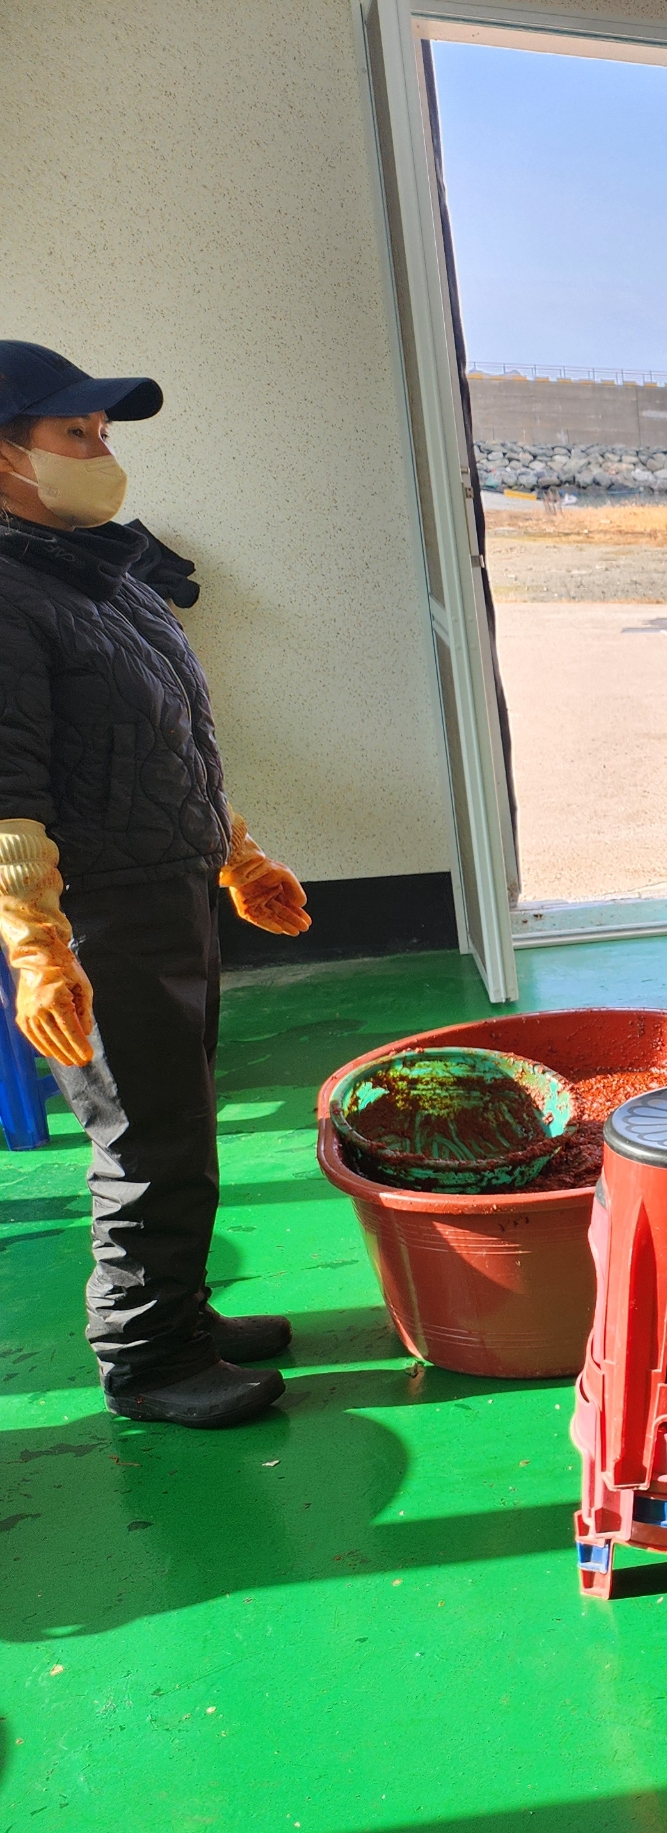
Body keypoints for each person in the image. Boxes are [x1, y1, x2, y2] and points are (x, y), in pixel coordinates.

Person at [0, 340, 311, 1429]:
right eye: (72, 433)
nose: (100, 452)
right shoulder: (9, 596)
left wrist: (236, 855)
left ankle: (181, 1312)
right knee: (142, 1138)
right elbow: (8, 790)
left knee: (178, 1120)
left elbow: (164, 743)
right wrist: (36, 946)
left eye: (101, 432)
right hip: (97, 917)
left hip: (165, 890)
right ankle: (146, 1358)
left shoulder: (102, 575)